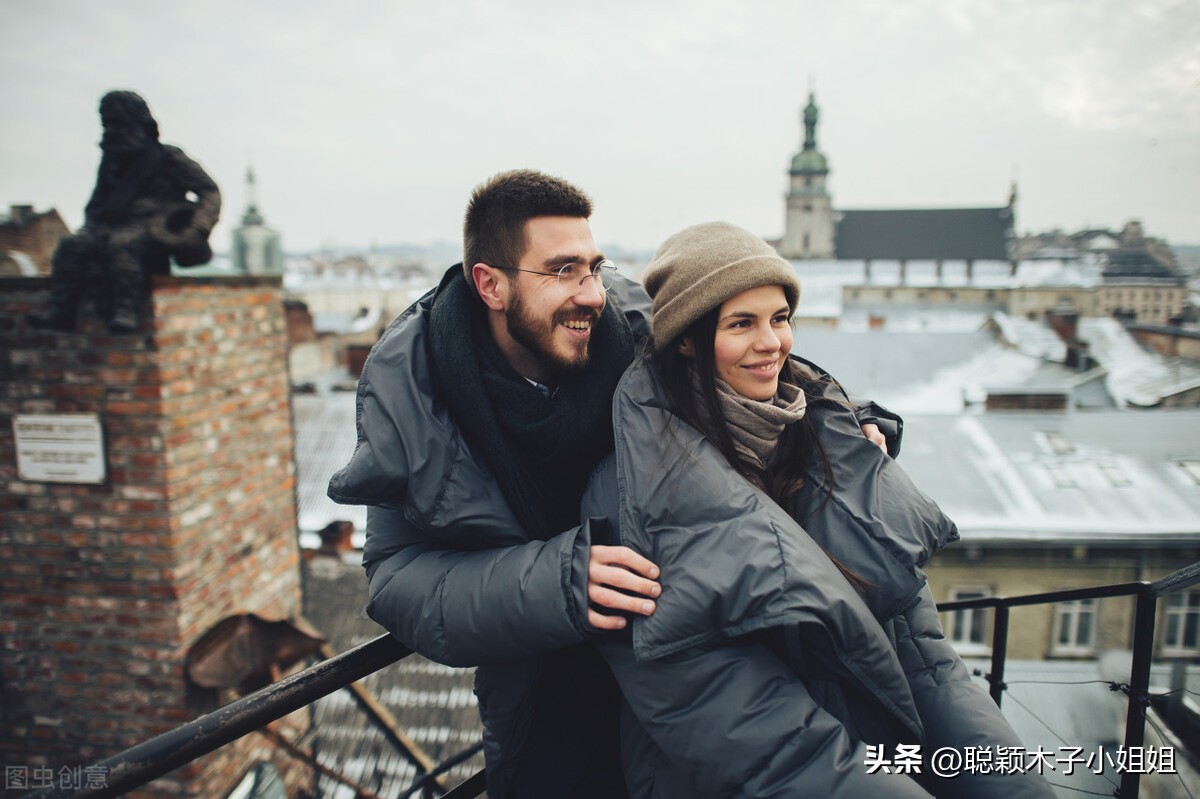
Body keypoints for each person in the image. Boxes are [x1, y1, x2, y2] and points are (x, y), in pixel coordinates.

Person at [329, 171, 894, 797]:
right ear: (490, 283)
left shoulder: (631, 327)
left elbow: (748, 364)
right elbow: (397, 578)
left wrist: (847, 420)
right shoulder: (418, 399)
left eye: (595, 267)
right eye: (564, 270)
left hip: (685, 675)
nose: (592, 293)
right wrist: (560, 582)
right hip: (551, 705)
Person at [581, 221, 1055, 798]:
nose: (771, 342)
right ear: (685, 339)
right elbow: (743, 726)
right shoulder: (634, 492)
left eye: (780, 318)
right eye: (741, 323)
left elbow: (927, 662)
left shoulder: (830, 448)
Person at [28, 90, 221, 333]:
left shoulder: (168, 158)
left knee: (124, 244)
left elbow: (210, 191)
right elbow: (97, 203)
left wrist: (196, 228)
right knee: (70, 245)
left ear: (138, 123)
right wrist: (92, 230)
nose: (112, 131)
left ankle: (126, 312)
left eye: (119, 123)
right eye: (107, 124)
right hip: (110, 228)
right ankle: (61, 313)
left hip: (153, 232)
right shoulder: (112, 163)